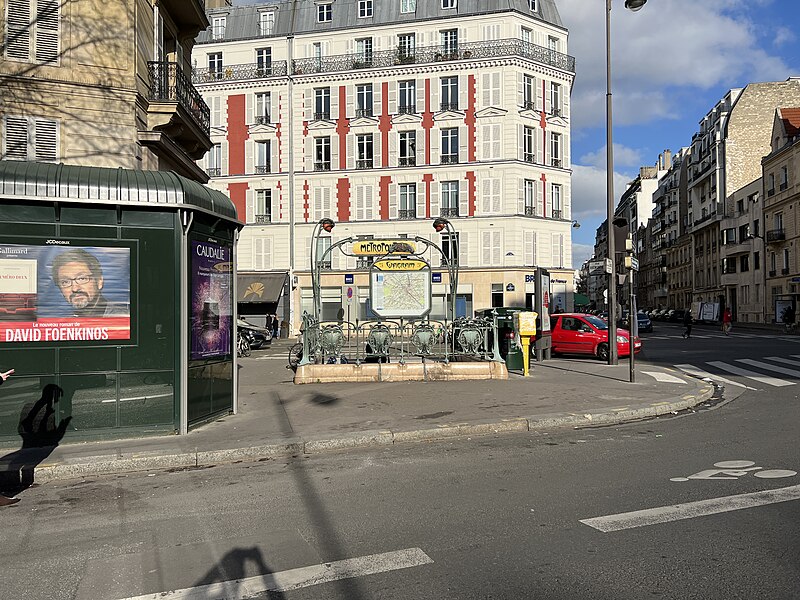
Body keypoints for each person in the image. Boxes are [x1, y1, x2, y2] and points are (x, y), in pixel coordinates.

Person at [51, 249, 128, 317]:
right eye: (65, 282)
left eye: (82, 278)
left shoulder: (124, 319)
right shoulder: (64, 325)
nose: (75, 288)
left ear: (99, 281)